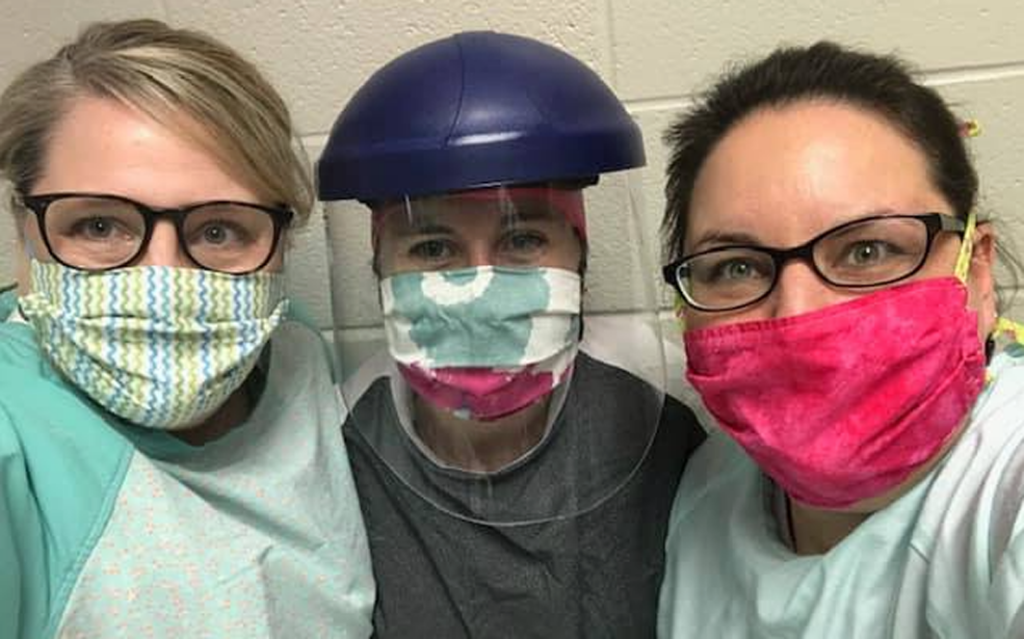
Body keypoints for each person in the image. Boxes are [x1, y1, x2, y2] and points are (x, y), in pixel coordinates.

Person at [318, 31, 706, 638]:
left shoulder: (660, 411)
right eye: (433, 248)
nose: (480, 284)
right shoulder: (343, 445)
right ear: (380, 266)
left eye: (523, 240)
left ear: (578, 256)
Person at [0, 19, 373, 638]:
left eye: (219, 231)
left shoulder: (292, 351)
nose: (163, 283)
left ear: (279, 241)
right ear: (25, 227)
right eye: (99, 226)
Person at [657, 41, 1024, 638]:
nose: (797, 314)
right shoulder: (704, 490)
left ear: (976, 272)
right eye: (737, 267)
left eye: (867, 251)